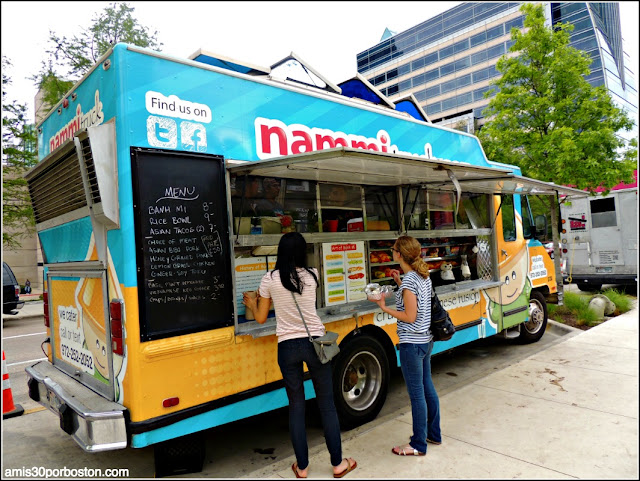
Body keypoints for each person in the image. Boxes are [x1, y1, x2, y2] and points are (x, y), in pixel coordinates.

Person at [243, 232, 357, 478]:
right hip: (315, 344)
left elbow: (262, 318)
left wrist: (252, 305)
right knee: (326, 404)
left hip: (287, 346)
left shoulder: (269, 279)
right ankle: (338, 465)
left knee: (296, 406)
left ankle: (302, 468)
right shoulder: (313, 274)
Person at [368, 235, 441, 456]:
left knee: (417, 395)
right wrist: (399, 281)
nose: (392, 251)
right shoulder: (422, 276)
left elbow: (410, 315)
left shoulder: (412, 280)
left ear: (400, 254)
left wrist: (383, 307)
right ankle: (433, 434)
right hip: (425, 341)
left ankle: (418, 444)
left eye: (393, 249)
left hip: (412, 343)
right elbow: (415, 300)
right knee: (427, 387)